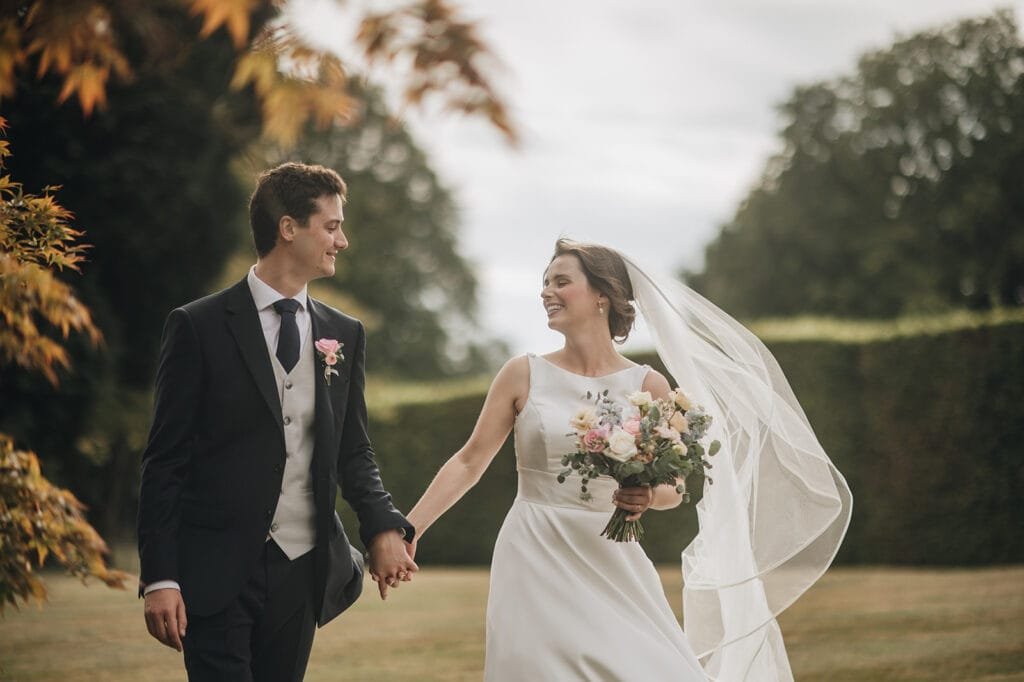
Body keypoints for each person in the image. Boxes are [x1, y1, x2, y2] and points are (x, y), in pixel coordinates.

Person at [405, 238, 852, 681]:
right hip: (533, 548)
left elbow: (674, 491)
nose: (546, 292)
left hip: (613, 555)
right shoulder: (523, 373)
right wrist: (407, 530)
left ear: (603, 295)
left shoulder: (649, 385)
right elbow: (468, 461)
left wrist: (646, 495)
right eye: (545, 282)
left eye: (561, 281)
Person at [137, 162, 418, 682]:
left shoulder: (344, 333)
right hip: (215, 569)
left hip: (301, 567)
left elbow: (353, 450)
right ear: (288, 227)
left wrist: (382, 525)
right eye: (331, 226)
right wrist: (160, 576)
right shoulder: (197, 326)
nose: (343, 240)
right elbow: (165, 461)